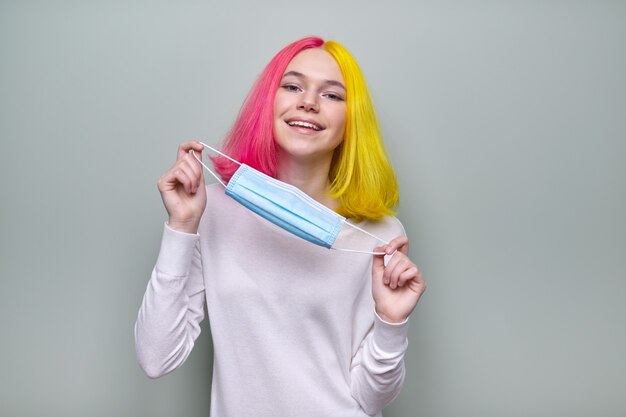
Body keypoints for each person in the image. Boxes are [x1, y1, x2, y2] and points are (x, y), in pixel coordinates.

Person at [135, 36, 426, 417]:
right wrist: (182, 225)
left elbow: (370, 397)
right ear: (268, 103)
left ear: (351, 120)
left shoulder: (381, 235)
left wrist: (391, 322)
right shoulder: (211, 210)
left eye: (333, 95)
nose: (308, 102)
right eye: (292, 86)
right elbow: (157, 358)